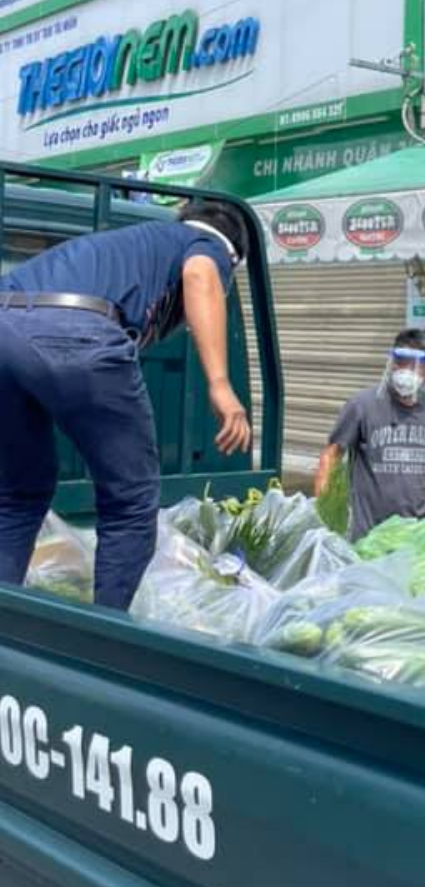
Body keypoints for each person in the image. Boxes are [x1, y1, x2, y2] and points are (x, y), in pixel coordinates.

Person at [0, 199, 253, 610]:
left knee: (19, 491)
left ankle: (5, 618)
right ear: (233, 256)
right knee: (131, 500)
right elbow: (199, 275)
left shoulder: (137, 244)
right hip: (78, 329)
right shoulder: (207, 246)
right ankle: (106, 639)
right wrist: (221, 385)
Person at [316, 329, 425, 539]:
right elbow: (331, 456)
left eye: (415, 365)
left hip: (414, 534)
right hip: (368, 536)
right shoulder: (362, 405)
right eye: (401, 362)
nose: (406, 370)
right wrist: (324, 514)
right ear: (392, 362)